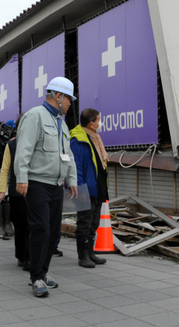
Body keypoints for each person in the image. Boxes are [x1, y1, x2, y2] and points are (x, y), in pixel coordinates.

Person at [14, 77, 78, 297]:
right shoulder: (35, 117)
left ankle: (43, 271)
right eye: (69, 98)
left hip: (55, 185)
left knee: (52, 231)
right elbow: (23, 149)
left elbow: (67, 155)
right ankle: (36, 277)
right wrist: (21, 178)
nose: (70, 103)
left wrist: (72, 180)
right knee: (40, 228)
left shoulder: (62, 123)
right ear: (58, 96)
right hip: (37, 183)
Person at [70, 108, 110, 268]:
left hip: (97, 187)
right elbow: (76, 166)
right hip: (85, 188)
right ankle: (83, 255)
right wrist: (79, 188)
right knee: (84, 223)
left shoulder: (95, 138)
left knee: (94, 222)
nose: (100, 123)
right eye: (98, 119)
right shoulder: (78, 140)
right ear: (91, 123)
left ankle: (91, 252)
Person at [0, 117, 29, 270]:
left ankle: (28, 256)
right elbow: (5, 169)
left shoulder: (36, 141)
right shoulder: (12, 144)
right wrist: (2, 191)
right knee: (21, 226)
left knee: (31, 225)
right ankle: (21, 256)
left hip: (34, 191)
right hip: (17, 192)